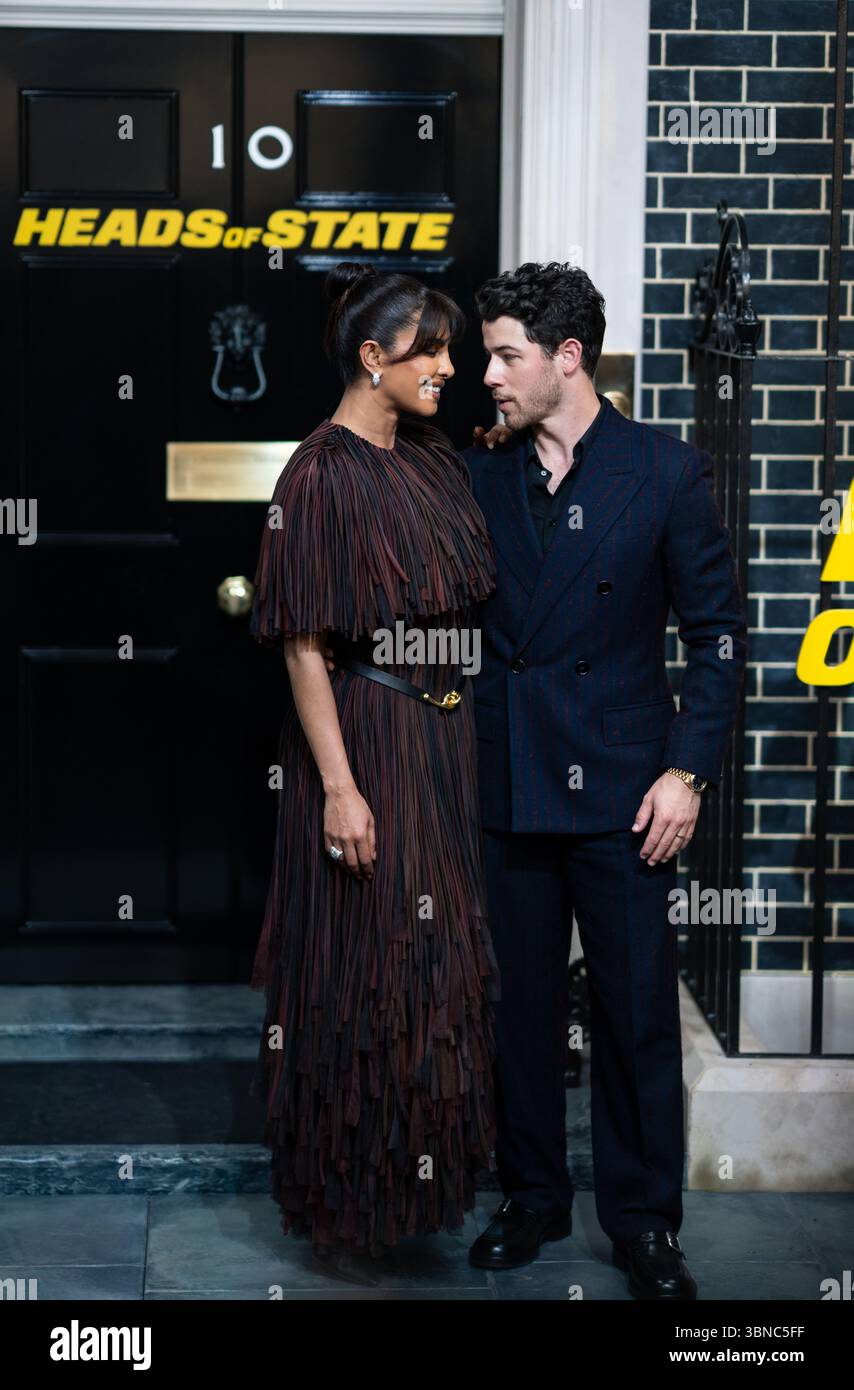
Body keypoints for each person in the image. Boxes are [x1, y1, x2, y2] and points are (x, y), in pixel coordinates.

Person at [461, 261, 747, 1300]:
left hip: (629, 790)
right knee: (518, 1010)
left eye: (504, 356)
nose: (485, 374)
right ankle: (530, 1194)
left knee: (632, 1014)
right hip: (509, 781)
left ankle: (641, 1223)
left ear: (566, 358)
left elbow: (715, 639)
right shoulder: (480, 472)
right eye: (486, 354)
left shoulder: (664, 472)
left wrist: (685, 772)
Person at [248, 261, 499, 1278]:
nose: (448, 365)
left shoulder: (432, 456)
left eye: (449, 347)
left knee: (432, 972)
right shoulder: (316, 474)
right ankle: (352, 1202)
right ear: (370, 356)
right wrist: (340, 788)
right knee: (366, 971)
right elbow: (304, 644)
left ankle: (416, 1190)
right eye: (427, 350)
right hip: (368, 739)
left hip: (442, 740)